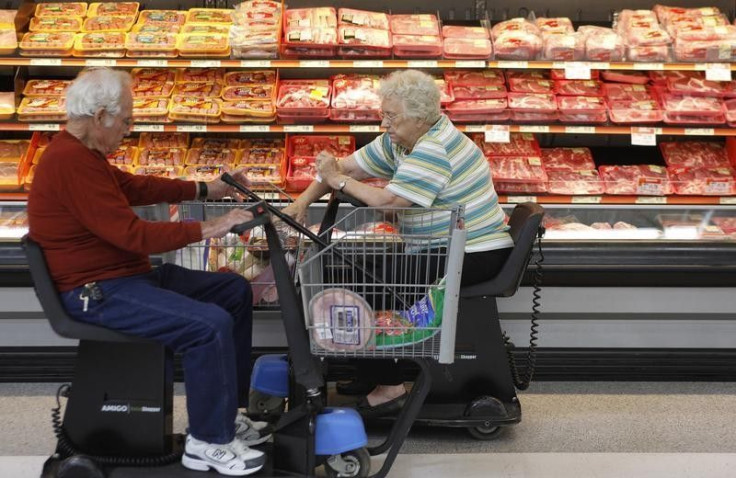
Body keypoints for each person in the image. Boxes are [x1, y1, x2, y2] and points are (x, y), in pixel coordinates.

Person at [27, 68, 268, 476]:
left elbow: (135, 188)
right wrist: (211, 226)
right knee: (207, 325)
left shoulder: (84, 155)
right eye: (126, 120)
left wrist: (205, 189)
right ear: (101, 115)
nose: (129, 128)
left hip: (122, 276)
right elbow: (131, 234)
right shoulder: (68, 161)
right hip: (96, 291)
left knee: (231, 291)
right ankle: (207, 442)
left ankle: (226, 415)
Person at [282, 69, 515, 418]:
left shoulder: (433, 149)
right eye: (383, 114)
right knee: (358, 275)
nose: (384, 124)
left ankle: (389, 387)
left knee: (369, 288)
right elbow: (344, 169)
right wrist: (301, 202)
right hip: (441, 247)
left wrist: (339, 181)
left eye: (391, 116)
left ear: (419, 117)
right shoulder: (401, 140)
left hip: (474, 252)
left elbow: (388, 202)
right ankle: (368, 372)